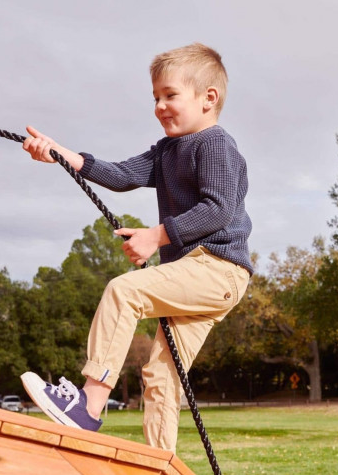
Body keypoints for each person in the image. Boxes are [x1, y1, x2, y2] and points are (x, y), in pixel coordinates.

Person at [20, 42, 253, 452]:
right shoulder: (167, 151)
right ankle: (157, 471)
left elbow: (218, 210)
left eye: (170, 95)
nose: (160, 106)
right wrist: (62, 155)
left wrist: (155, 236)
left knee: (123, 292)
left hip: (218, 270)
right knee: (162, 377)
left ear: (208, 98)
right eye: (155, 98)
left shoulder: (215, 144)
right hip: (193, 275)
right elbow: (122, 175)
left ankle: (88, 408)